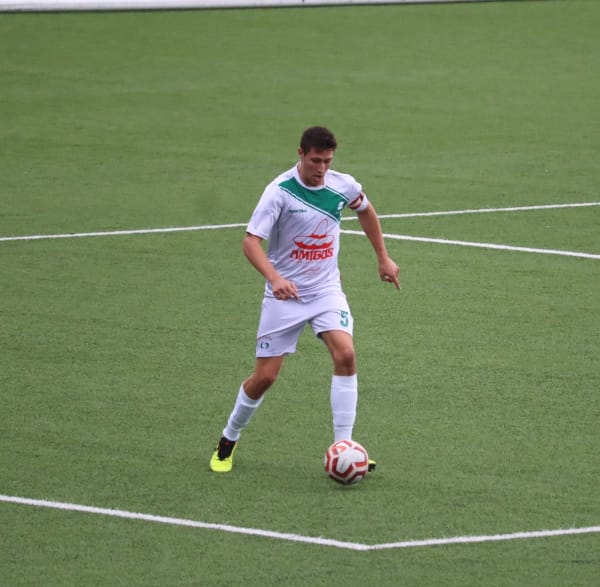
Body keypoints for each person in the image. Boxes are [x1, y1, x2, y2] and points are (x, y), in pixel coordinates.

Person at [209, 126, 400, 473]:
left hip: (326, 290)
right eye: (315, 161)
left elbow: (366, 211)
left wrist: (383, 258)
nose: (321, 169)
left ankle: (344, 447)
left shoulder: (343, 185)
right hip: (285, 296)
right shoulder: (279, 192)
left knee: (346, 355)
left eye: (327, 161)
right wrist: (275, 279)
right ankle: (228, 439)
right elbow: (250, 242)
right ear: (300, 154)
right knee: (265, 377)